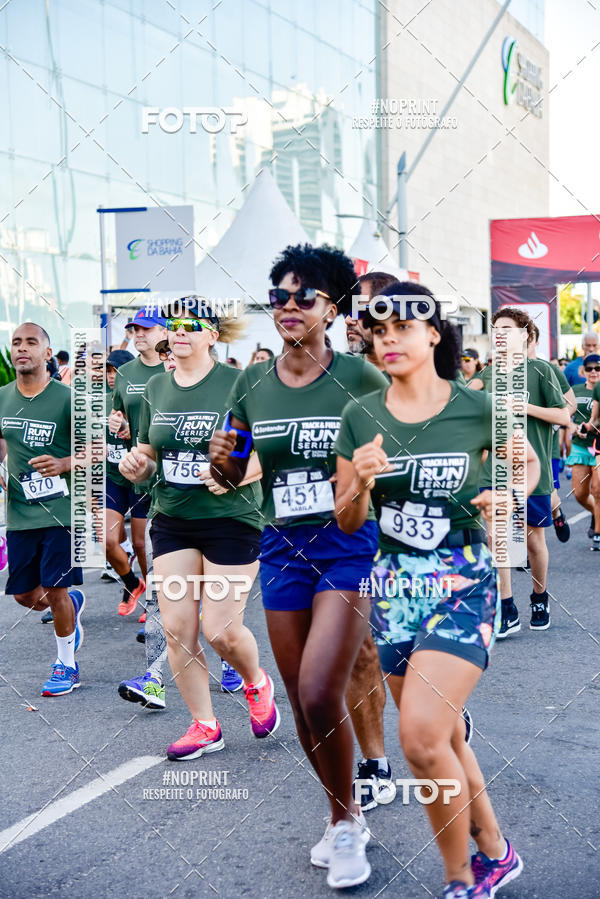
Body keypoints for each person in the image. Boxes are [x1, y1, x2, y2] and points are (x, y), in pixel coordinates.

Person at [334, 284, 538, 898]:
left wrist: (509, 493)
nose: (388, 338)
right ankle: (497, 853)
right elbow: (347, 519)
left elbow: (524, 461)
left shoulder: (477, 406)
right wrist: (361, 484)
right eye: (379, 329)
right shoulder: (360, 416)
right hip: (394, 588)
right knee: (443, 738)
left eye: (402, 327)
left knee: (420, 737)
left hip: (462, 580)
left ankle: (460, 880)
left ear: (432, 335)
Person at [210, 243, 389, 890]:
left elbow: (396, 447)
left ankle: (346, 823)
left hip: (347, 546)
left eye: (302, 296)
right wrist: (222, 456)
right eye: (278, 295)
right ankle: (344, 813)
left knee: (320, 688)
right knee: (301, 699)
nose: (287, 306)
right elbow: (231, 472)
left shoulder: (362, 379)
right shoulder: (250, 381)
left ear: (332, 307)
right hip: (282, 546)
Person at [119, 296, 277, 759]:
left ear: (213, 334)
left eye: (192, 325)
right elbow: (149, 451)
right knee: (177, 628)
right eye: (175, 325)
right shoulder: (155, 388)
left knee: (221, 629)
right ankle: (204, 725)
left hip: (232, 520)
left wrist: (236, 475)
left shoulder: (241, 385)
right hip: (174, 519)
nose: (180, 332)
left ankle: (256, 681)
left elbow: (268, 452)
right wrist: (137, 464)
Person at [469, 308, 569, 635]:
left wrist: (524, 407)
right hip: (496, 472)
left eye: (507, 328)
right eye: (495, 328)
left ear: (524, 335)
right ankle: (507, 607)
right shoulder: (487, 376)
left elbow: (563, 416)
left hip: (533, 471)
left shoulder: (539, 370)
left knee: (532, 540)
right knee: (500, 539)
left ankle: (539, 597)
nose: (499, 334)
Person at [0, 323, 85, 696]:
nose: (22, 348)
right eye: (17, 342)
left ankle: (66, 664)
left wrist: (64, 464)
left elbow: (96, 449)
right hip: (20, 512)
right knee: (25, 596)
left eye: (31, 342)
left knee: (55, 585)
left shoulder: (67, 398)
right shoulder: (2, 396)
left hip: (62, 512)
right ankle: (69, 604)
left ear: (47, 354)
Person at [345, 270, 402, 810]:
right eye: (353, 310)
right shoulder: (326, 372)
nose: (355, 319)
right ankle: (374, 761)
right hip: (342, 534)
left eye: (366, 309)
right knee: (357, 648)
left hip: (411, 537)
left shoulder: (417, 377)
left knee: (400, 652)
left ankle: (437, 709)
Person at [108, 306, 167, 616]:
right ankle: (140, 588)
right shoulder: (126, 373)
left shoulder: (172, 367)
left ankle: (161, 605)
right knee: (111, 539)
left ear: (164, 332)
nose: (138, 334)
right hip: (135, 467)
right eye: (134, 329)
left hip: (164, 470)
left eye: (146, 328)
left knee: (149, 544)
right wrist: (117, 424)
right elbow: (119, 414)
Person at [527, 324, 575, 543]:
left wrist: (554, 423)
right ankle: (523, 547)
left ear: (536, 342)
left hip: (545, 445)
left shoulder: (549, 369)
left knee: (550, 495)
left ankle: (557, 514)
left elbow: (570, 404)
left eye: (530, 337)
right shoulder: (502, 372)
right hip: (512, 447)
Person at [569, 354, 600, 548]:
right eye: (589, 368)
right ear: (583, 371)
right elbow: (565, 415)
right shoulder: (575, 390)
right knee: (579, 493)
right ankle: (596, 513)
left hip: (598, 445)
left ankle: (598, 530)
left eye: (598, 368)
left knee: (597, 490)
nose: (593, 372)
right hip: (580, 446)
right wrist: (574, 429)